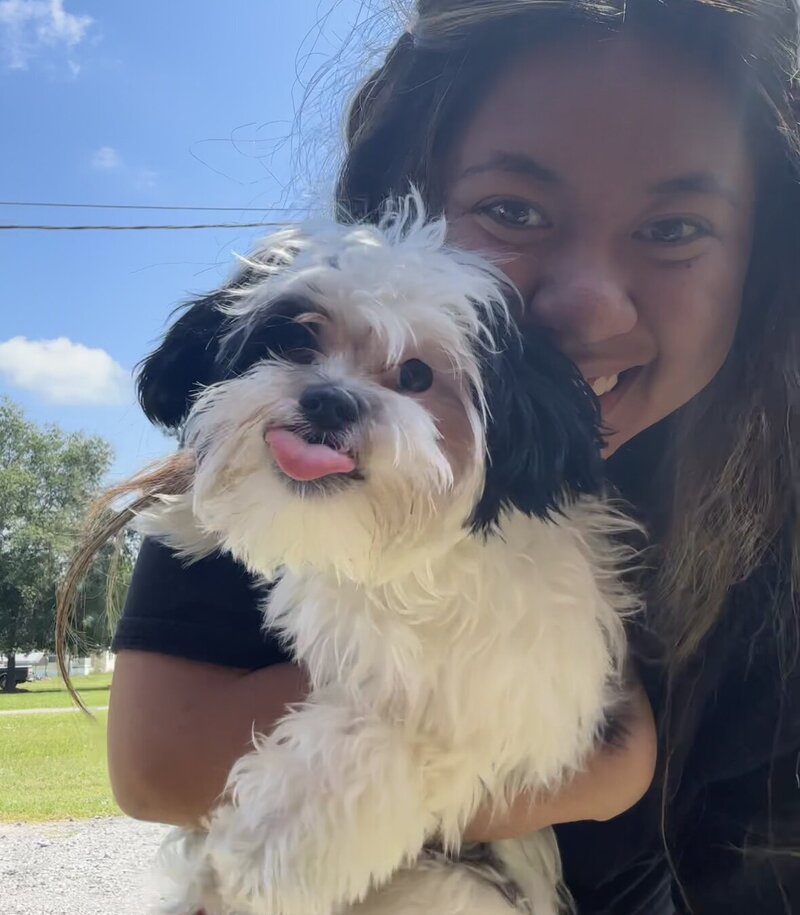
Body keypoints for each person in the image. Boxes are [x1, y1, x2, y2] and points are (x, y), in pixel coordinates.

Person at [106, 1, 800, 911]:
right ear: (408, 198)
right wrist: (602, 765)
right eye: (513, 209)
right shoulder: (247, 466)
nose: (589, 307)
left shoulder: (765, 512)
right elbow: (159, 763)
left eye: (673, 228)